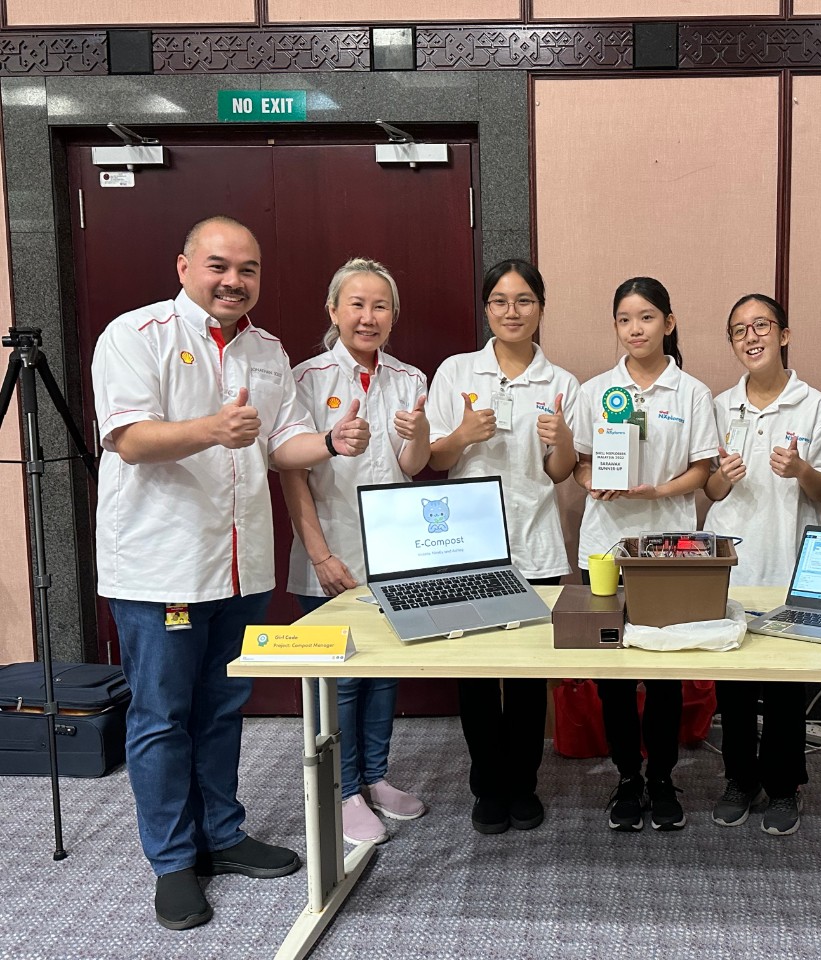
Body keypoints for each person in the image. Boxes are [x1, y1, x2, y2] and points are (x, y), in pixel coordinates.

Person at [91, 216, 371, 931]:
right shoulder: (137, 335)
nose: (233, 281)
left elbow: (281, 444)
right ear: (184, 266)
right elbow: (128, 437)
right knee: (161, 716)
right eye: (219, 266)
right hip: (161, 569)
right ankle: (173, 861)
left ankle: (220, 833)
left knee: (221, 708)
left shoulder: (268, 350)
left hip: (240, 566)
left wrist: (331, 444)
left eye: (247, 270)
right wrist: (213, 429)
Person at [426, 259, 581, 835]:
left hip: (536, 545)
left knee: (524, 675)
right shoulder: (456, 371)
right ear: (485, 308)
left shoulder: (561, 383)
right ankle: (486, 785)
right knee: (474, 673)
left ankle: (524, 784)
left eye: (523, 301)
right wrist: (462, 436)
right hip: (468, 547)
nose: (511, 312)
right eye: (499, 301)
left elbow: (562, 473)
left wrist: (562, 439)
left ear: (541, 308)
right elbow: (434, 459)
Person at [280, 257, 431, 845]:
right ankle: (340, 792)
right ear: (333, 310)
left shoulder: (409, 378)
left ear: (394, 315)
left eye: (381, 306)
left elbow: (411, 467)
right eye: (357, 304)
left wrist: (416, 436)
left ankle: (374, 776)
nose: (369, 317)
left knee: (384, 674)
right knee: (339, 680)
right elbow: (292, 473)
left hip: (395, 555)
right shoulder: (306, 379)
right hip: (331, 551)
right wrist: (319, 554)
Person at [573, 277, 718, 831]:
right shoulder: (594, 391)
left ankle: (662, 777)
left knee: (663, 673)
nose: (636, 329)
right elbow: (581, 463)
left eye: (647, 318)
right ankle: (626, 778)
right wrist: (596, 482)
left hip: (667, 549)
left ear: (669, 323)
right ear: (616, 326)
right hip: (604, 548)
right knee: (611, 669)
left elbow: (703, 472)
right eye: (625, 319)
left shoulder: (693, 393)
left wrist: (652, 492)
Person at [703, 294, 821, 836]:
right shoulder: (720, 406)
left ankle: (785, 785)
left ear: (784, 335)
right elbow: (709, 491)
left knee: (786, 683)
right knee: (735, 682)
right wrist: (725, 477)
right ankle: (740, 779)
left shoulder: (813, 405)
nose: (751, 337)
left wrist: (801, 469)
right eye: (739, 330)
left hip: (788, 560)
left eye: (761, 325)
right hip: (734, 561)